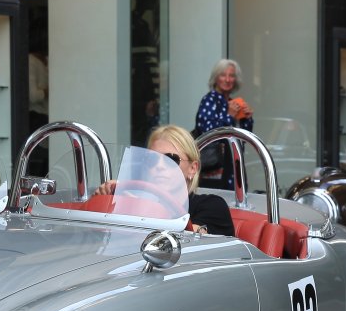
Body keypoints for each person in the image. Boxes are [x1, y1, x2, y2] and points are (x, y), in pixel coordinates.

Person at [95, 127, 235, 237]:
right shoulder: (140, 201)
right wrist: (107, 199)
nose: (159, 166)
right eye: (152, 159)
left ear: (193, 168)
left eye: (171, 159)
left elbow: (189, 238)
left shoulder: (212, 205)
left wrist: (136, 207)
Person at [194, 58, 253, 189]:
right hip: (215, 171)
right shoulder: (209, 100)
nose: (227, 79)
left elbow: (244, 138)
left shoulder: (233, 102)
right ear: (216, 78)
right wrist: (229, 116)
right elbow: (206, 132)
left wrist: (246, 119)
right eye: (223, 75)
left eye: (231, 75)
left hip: (234, 168)